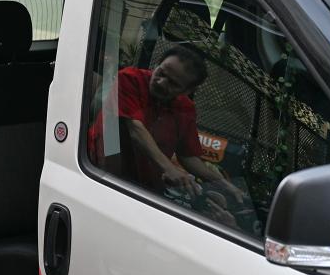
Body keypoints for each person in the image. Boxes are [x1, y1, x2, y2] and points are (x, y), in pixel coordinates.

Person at [89, 45, 243, 202]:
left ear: (188, 90)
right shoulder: (129, 79)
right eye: (161, 73)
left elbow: (188, 157)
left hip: (143, 188)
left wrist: (225, 185)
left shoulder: (185, 108)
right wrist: (169, 168)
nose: (161, 83)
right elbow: (135, 128)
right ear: (156, 64)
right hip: (99, 174)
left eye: (173, 83)